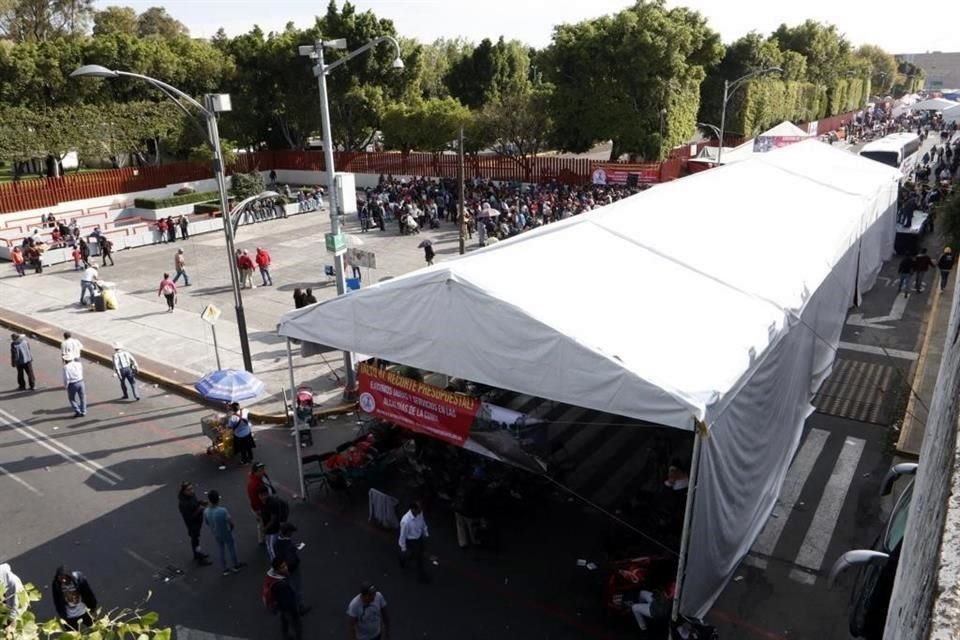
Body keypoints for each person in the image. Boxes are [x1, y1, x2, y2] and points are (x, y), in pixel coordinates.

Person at [203, 489, 244, 576]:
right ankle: (236, 565)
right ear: (218, 499)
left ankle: (225, 569)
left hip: (216, 534)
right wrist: (231, 528)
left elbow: (207, 522)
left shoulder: (206, 511)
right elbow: (230, 522)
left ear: (209, 500)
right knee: (231, 548)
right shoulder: (222, 510)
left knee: (221, 550)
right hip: (226, 532)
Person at [273, 522, 309, 613]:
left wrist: (293, 548)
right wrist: (293, 551)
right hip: (292, 569)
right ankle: (300, 607)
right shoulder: (287, 544)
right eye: (291, 532)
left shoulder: (277, 541)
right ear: (288, 532)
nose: (292, 534)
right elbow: (290, 559)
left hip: (282, 569)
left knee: (288, 587)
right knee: (297, 587)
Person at [266, 558, 302, 640]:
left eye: (285, 565)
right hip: (287, 608)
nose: (286, 568)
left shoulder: (272, 577)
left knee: (284, 621)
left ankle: (285, 635)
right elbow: (288, 601)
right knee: (296, 624)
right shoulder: (281, 586)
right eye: (282, 567)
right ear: (277, 570)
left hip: (281, 607)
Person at [52, 566, 97, 631]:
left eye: (66, 578)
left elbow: (88, 593)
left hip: (84, 612)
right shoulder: (56, 583)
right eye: (61, 578)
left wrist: (93, 607)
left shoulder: (79, 579)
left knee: (94, 629)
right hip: (69, 616)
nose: (64, 580)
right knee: (72, 635)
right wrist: (61, 614)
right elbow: (56, 599)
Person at [178, 481, 212, 566]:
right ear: (184, 491)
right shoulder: (183, 504)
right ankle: (200, 559)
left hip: (197, 522)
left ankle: (197, 555)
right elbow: (189, 518)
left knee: (196, 539)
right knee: (195, 541)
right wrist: (199, 510)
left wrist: (201, 502)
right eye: (189, 490)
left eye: (192, 488)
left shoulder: (191, 496)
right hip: (192, 525)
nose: (192, 491)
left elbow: (196, 502)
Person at [398, 500, 430, 582]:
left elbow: (423, 524)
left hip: (419, 539)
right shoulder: (405, 521)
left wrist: (425, 533)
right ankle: (422, 576)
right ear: (413, 509)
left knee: (417, 553)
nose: (420, 512)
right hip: (411, 541)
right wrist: (403, 549)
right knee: (419, 559)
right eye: (419, 510)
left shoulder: (419, 513)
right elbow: (403, 536)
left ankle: (404, 559)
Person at [247, 461, 277, 545]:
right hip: (260, 507)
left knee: (264, 521)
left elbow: (268, 484)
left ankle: (265, 535)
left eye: (263, 469)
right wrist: (258, 510)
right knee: (261, 523)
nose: (263, 471)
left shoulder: (261, 477)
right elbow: (254, 499)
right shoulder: (253, 484)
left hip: (266, 502)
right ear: (255, 472)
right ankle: (262, 538)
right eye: (260, 470)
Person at [259, 485, 289, 560]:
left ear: (266, 494)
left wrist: (264, 528)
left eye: (263, 495)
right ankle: (274, 563)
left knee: (273, 547)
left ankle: (277, 564)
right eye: (260, 495)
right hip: (268, 529)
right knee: (269, 546)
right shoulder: (263, 502)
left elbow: (273, 519)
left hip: (273, 529)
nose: (261, 497)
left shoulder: (271, 503)